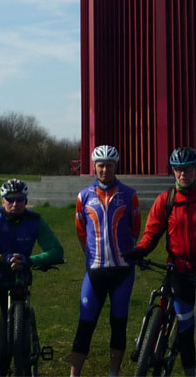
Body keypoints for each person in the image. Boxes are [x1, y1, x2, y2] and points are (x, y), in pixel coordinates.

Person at [124, 146, 196, 377]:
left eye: (189, 169)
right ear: (173, 171)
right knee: (185, 332)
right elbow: (151, 233)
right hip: (180, 274)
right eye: (179, 169)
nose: (184, 174)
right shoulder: (166, 200)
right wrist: (140, 250)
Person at [0, 178, 64, 376]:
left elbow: (56, 251)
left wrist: (29, 260)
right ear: (2, 200)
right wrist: (1, 258)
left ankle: (1, 373)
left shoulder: (34, 220)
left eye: (20, 199)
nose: (15, 204)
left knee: (8, 336)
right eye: (10, 199)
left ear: (26, 200)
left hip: (17, 280)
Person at [70, 145, 141, 377]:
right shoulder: (84, 196)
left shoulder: (129, 195)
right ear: (94, 166)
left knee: (118, 324)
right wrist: (92, 255)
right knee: (85, 324)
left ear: (115, 166)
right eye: (100, 165)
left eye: (109, 165)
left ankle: (114, 373)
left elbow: (135, 229)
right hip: (95, 270)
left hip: (122, 271)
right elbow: (81, 231)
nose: (104, 170)